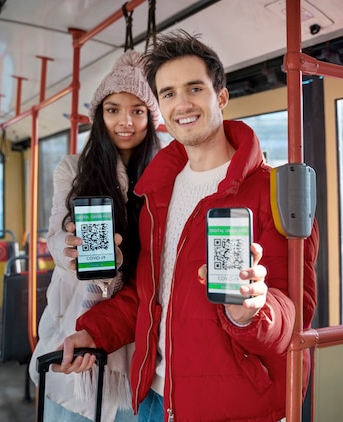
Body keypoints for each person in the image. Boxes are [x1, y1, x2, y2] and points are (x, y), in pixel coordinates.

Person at [55, 30, 319, 422]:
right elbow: (148, 298)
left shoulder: (272, 193)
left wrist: (252, 310)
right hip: (153, 401)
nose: (182, 104)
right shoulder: (157, 194)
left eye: (194, 88)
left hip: (232, 408)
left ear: (221, 97)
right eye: (168, 93)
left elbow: (294, 315)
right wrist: (94, 332)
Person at [29, 49, 162, 422]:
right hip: (76, 312)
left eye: (138, 111)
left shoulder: (164, 172)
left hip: (133, 325)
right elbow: (55, 233)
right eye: (114, 109)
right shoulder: (73, 167)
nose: (126, 121)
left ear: (150, 119)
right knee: (73, 406)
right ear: (99, 115)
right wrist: (66, 248)